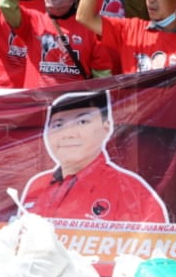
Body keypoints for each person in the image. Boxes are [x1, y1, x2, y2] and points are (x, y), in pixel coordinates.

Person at [17, 89, 168, 223]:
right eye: (58, 125)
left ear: (106, 128)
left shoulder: (131, 192)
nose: (68, 134)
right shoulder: (37, 185)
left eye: (82, 122)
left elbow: (153, 247)